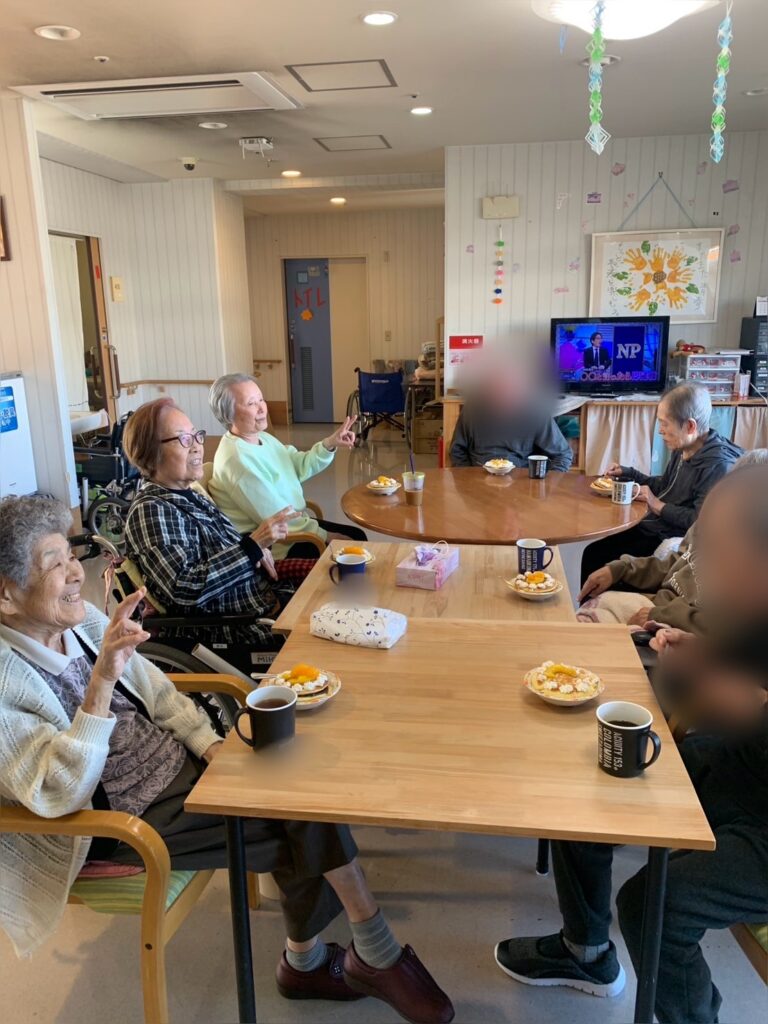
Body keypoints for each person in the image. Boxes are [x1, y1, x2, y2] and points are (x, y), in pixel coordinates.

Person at [0, 495, 454, 1024]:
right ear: (7, 595)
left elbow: (161, 694)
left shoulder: (80, 624)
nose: (77, 572)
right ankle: (361, 955)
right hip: (116, 821)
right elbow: (56, 792)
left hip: (177, 770)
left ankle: (314, 962)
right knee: (300, 814)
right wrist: (101, 684)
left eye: (72, 556)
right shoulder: (7, 682)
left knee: (299, 777)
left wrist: (208, 743)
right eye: (54, 564)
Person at [494, 464, 768, 1024]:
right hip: (740, 765)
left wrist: (752, 707)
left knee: (652, 907)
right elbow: (740, 666)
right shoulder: (750, 611)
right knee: (589, 785)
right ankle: (585, 952)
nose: (703, 567)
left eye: (717, 552)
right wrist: (702, 657)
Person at [122, 398, 312, 647]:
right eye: (183, 439)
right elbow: (185, 589)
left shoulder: (188, 493)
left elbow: (221, 549)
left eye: (196, 436)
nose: (197, 447)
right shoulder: (151, 511)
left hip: (264, 600)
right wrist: (252, 546)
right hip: (237, 631)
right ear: (149, 456)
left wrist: (255, 548)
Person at [578, 449, 768, 630]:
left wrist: (661, 615)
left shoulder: (748, 576)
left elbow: (729, 628)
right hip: (659, 605)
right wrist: (620, 568)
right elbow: (675, 563)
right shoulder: (707, 524)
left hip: (669, 623)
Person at [580, 382, 741, 584]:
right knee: (593, 553)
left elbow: (700, 522)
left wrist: (656, 505)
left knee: (597, 558)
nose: (660, 431)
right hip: (656, 526)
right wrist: (629, 473)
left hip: (671, 538)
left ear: (690, 426)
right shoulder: (685, 446)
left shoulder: (717, 465)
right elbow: (666, 485)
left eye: (665, 424)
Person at [208, 374, 367, 560]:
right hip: (277, 545)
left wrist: (330, 443)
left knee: (357, 537)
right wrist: (324, 535)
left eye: (261, 399)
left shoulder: (262, 438)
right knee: (354, 543)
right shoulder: (236, 460)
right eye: (251, 403)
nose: (262, 408)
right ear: (228, 414)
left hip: (293, 526)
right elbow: (277, 517)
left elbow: (299, 465)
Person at [449, 360, 573, 470]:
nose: (504, 397)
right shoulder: (473, 408)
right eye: (497, 391)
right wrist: (466, 478)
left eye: (511, 391)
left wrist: (546, 484)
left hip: (521, 480)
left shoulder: (535, 411)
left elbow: (563, 455)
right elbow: (457, 450)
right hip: (478, 476)